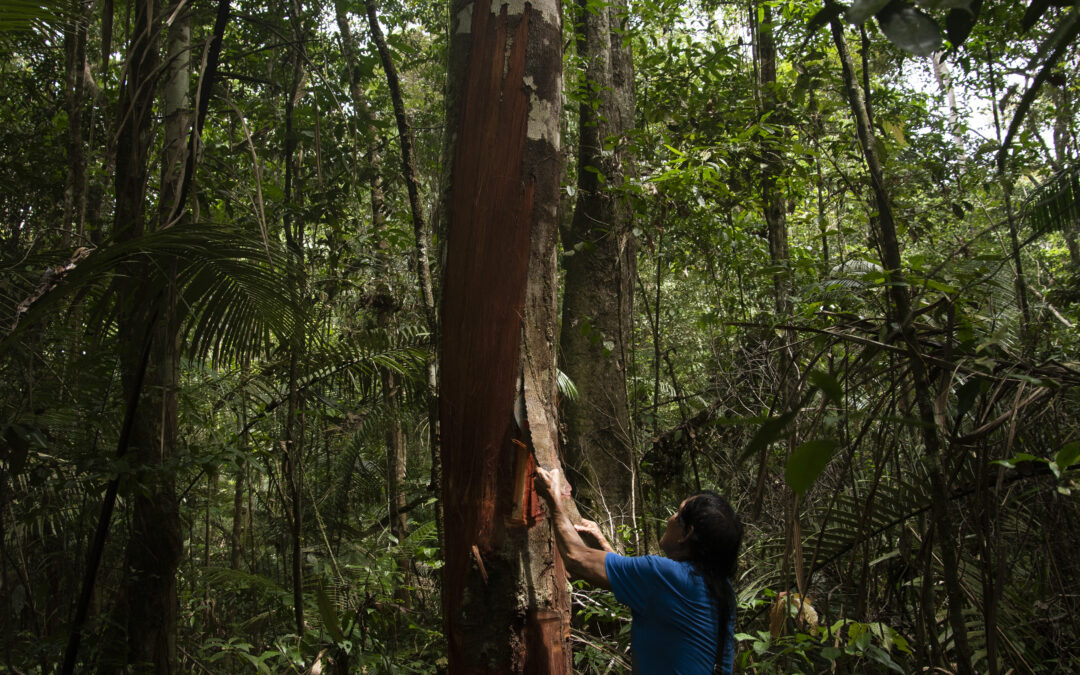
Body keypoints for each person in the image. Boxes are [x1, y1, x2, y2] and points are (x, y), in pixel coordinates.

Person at [535, 467, 743, 674]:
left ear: (687, 534)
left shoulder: (668, 576)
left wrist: (554, 499)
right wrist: (605, 548)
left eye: (678, 513)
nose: (670, 518)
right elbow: (656, 598)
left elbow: (576, 558)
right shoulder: (722, 589)